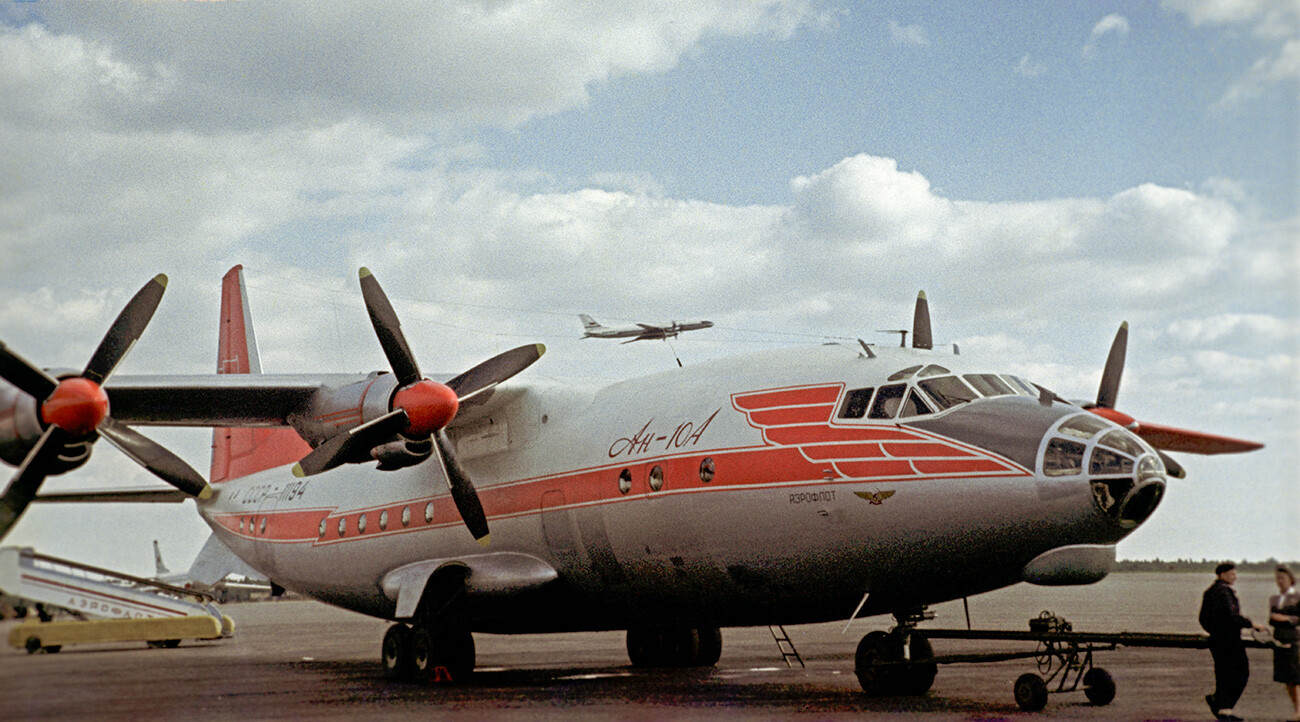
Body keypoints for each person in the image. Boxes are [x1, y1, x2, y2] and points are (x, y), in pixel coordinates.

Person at [1200, 562, 1267, 721]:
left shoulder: (1209, 592)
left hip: (1216, 640)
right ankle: (1223, 706)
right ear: (1222, 574)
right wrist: (1251, 624)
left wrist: (1214, 631)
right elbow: (1232, 616)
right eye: (1232, 574)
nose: (1235, 577)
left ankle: (1224, 709)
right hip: (1230, 640)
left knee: (1223, 675)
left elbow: (1203, 618)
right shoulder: (1224, 592)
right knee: (1241, 673)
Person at [1269, 564, 1300, 721]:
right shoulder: (1274, 598)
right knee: (1286, 678)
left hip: (1294, 641)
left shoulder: (1297, 598)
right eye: (1278, 578)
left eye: (1282, 578)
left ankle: (1298, 710)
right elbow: (1271, 619)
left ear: (1290, 579)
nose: (1280, 581)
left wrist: (1285, 618)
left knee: (1295, 677)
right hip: (1279, 641)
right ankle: (1297, 709)